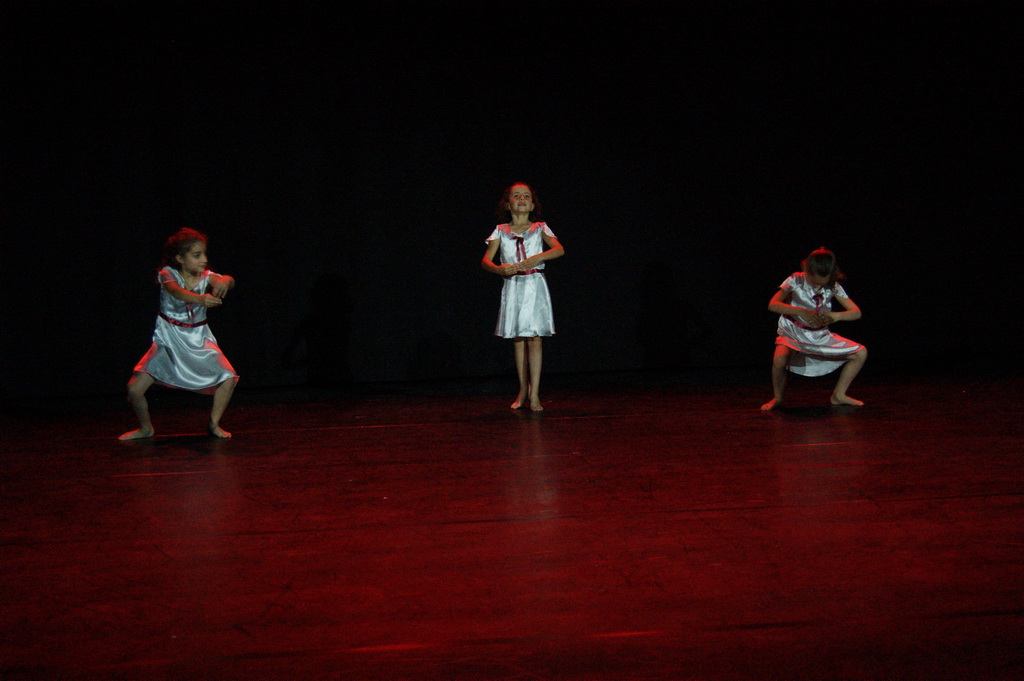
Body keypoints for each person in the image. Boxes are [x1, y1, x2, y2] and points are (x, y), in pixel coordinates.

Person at [119, 228, 239, 439]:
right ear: (180, 258)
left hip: (199, 339)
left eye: (204, 254)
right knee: (134, 389)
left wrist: (224, 281)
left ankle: (213, 424)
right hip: (168, 339)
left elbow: (227, 279)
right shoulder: (168, 274)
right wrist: (200, 299)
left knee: (228, 378)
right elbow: (175, 291)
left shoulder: (205, 276)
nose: (204, 260)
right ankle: (146, 428)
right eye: (197, 255)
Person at [481, 182, 565, 411]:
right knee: (518, 338)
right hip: (514, 286)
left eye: (526, 196)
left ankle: (534, 393)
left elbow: (559, 249)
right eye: (516, 196)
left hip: (534, 285)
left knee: (535, 338)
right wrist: (498, 268)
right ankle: (522, 389)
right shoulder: (500, 230)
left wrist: (539, 257)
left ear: (532, 205)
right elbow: (486, 260)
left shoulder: (540, 227)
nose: (521, 199)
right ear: (508, 204)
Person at [761, 247, 867, 411]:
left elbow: (856, 312)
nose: (818, 285)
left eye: (822, 282)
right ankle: (778, 398)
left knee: (860, 353)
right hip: (793, 332)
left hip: (819, 335)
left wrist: (836, 316)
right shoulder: (795, 280)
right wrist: (800, 311)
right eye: (815, 281)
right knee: (779, 359)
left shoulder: (832, 286)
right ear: (808, 272)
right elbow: (773, 304)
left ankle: (838, 395)